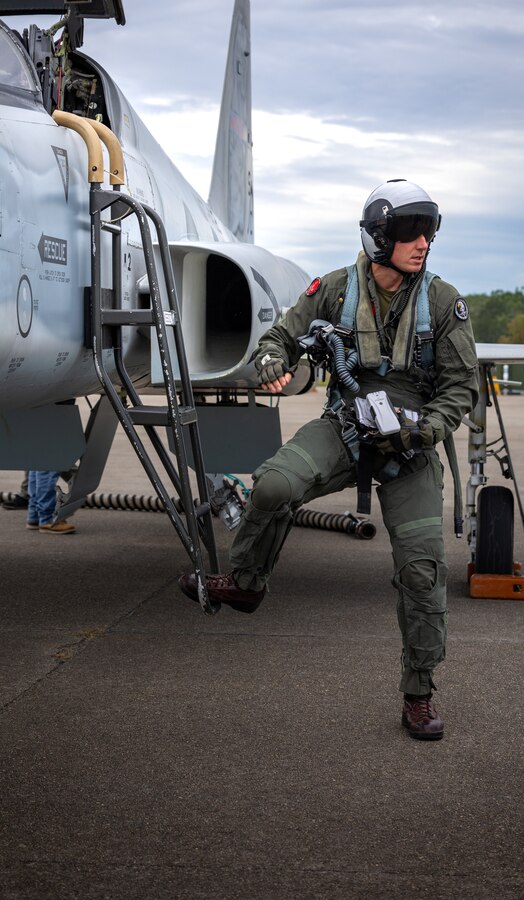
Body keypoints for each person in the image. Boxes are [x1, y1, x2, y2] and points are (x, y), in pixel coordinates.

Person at [180, 179, 479, 740]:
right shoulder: (335, 290)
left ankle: (419, 691)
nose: (423, 243)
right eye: (412, 232)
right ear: (378, 236)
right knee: (271, 486)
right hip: (345, 428)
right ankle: (246, 582)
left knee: (421, 568)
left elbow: (461, 386)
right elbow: (283, 335)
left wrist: (428, 429)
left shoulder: (442, 303)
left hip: (410, 446)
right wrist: (271, 358)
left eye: (428, 231)